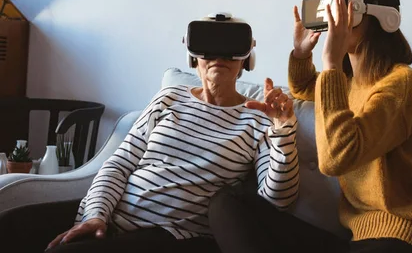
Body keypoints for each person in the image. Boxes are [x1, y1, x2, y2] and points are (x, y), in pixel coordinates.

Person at [208, 0, 412, 253]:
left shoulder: (403, 84)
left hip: (406, 238)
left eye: (343, 9)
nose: (334, 19)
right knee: (228, 203)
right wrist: (302, 53)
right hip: (357, 240)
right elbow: (305, 87)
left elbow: (337, 157)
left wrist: (331, 61)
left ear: (379, 18)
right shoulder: (350, 84)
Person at [0, 16, 299, 253]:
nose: (218, 55)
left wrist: (283, 131)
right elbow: (120, 163)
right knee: (11, 226)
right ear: (192, 56)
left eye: (229, 47)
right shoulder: (169, 97)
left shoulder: (259, 118)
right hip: (112, 216)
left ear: (246, 59)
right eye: (209, 45)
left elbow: (276, 202)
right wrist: (95, 214)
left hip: (174, 236)